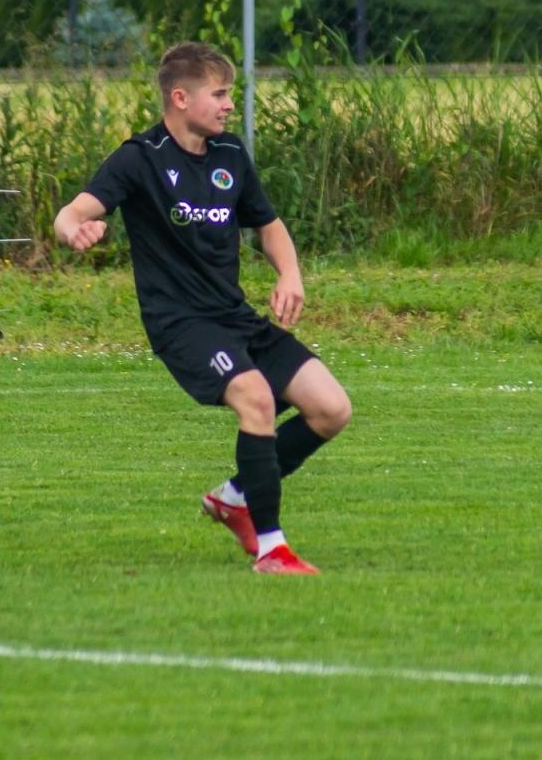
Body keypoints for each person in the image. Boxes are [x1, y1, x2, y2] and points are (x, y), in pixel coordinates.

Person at [53, 42, 352, 575]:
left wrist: (290, 273)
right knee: (256, 398)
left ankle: (235, 496)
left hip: (235, 318)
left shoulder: (231, 155)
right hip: (182, 325)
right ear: (180, 97)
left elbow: (269, 224)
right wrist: (76, 229)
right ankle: (271, 549)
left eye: (228, 94)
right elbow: (73, 210)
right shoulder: (140, 157)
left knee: (331, 408)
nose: (228, 105)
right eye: (218, 94)